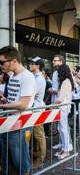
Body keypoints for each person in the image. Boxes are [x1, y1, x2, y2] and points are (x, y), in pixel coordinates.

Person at [0, 46, 36, 175]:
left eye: (2, 62)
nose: (1, 65)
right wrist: (5, 100)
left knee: (20, 161)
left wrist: (2, 106)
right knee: (8, 160)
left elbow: (23, 105)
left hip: (20, 124)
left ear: (14, 61)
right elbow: (15, 100)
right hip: (9, 121)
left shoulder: (27, 76)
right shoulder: (13, 76)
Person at [29, 57, 47, 168]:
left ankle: (40, 160)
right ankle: (35, 156)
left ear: (38, 66)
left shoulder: (39, 79)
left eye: (32, 63)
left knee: (39, 136)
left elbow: (31, 93)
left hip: (36, 109)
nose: (30, 65)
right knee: (35, 136)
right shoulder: (33, 77)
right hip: (32, 109)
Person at [54, 64, 74, 159]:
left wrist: (53, 104)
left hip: (63, 107)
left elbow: (61, 98)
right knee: (61, 128)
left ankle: (66, 150)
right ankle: (64, 148)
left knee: (63, 128)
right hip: (62, 107)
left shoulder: (66, 82)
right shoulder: (66, 81)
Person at [49, 55, 65, 150]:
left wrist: (53, 90)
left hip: (61, 101)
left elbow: (64, 89)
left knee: (63, 126)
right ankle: (61, 142)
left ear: (61, 61)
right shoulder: (55, 72)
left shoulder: (64, 72)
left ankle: (66, 146)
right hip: (54, 99)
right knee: (59, 125)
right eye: (53, 60)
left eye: (55, 60)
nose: (53, 62)